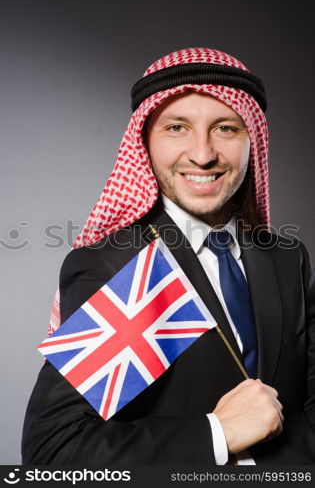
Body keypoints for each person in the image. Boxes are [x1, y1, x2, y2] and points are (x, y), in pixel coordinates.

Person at [22, 48, 315, 465]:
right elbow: (55, 451)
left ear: (254, 141)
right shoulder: (122, 267)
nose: (202, 154)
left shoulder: (288, 260)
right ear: (144, 142)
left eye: (226, 129)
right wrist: (218, 434)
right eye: (177, 127)